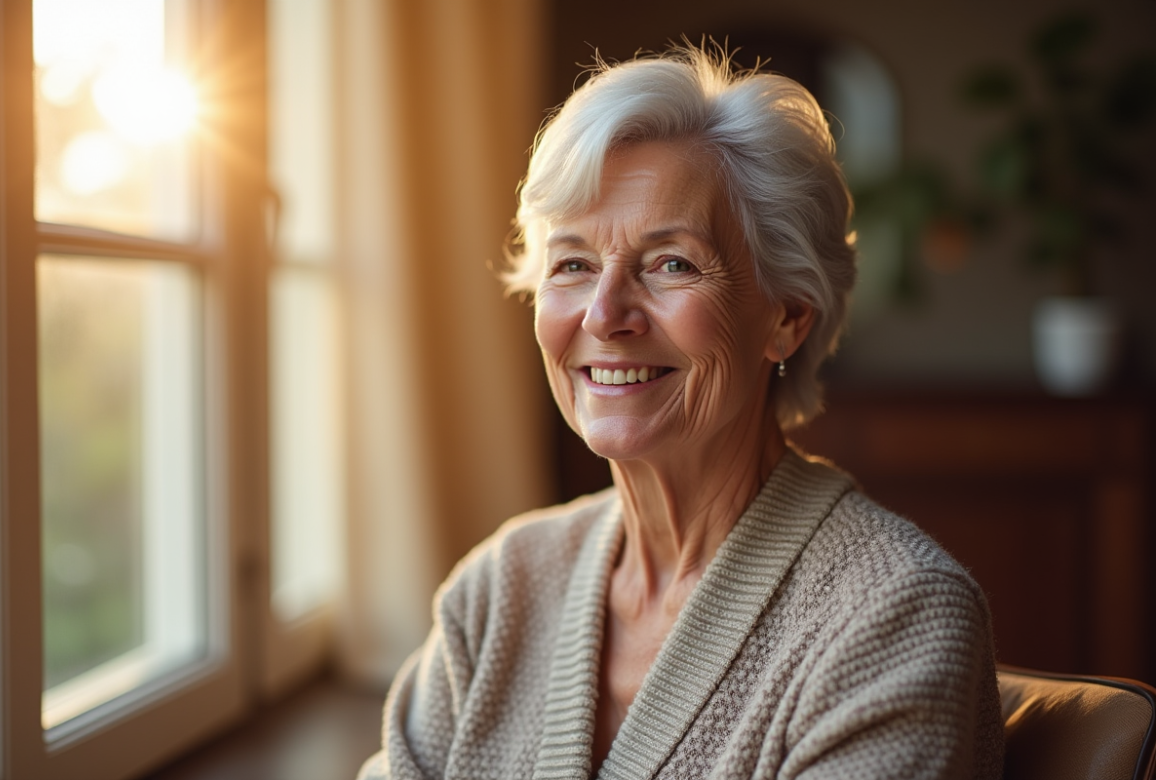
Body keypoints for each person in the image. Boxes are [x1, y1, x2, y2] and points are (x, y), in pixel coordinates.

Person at [358, 44, 1004, 780]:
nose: (605, 315)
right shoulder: (502, 587)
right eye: (571, 264)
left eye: (672, 263)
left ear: (787, 315)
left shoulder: (897, 616)